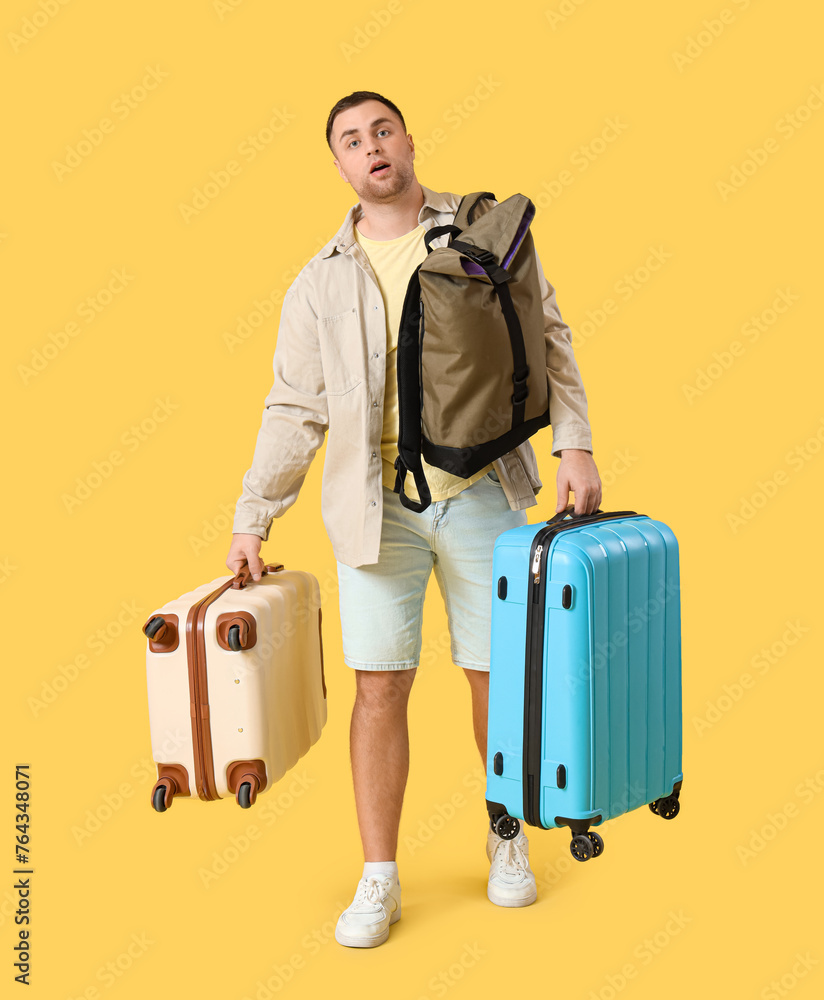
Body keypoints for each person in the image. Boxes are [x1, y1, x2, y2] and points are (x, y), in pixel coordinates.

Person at [226, 90, 602, 948]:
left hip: (480, 491)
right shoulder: (318, 280)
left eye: (382, 130)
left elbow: (549, 337)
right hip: (373, 509)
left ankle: (506, 842)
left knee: (494, 675)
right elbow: (294, 410)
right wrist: (255, 518)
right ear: (340, 166)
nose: (372, 148)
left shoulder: (482, 230)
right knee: (379, 685)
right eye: (351, 141)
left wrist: (574, 444)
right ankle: (379, 878)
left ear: (406, 138)